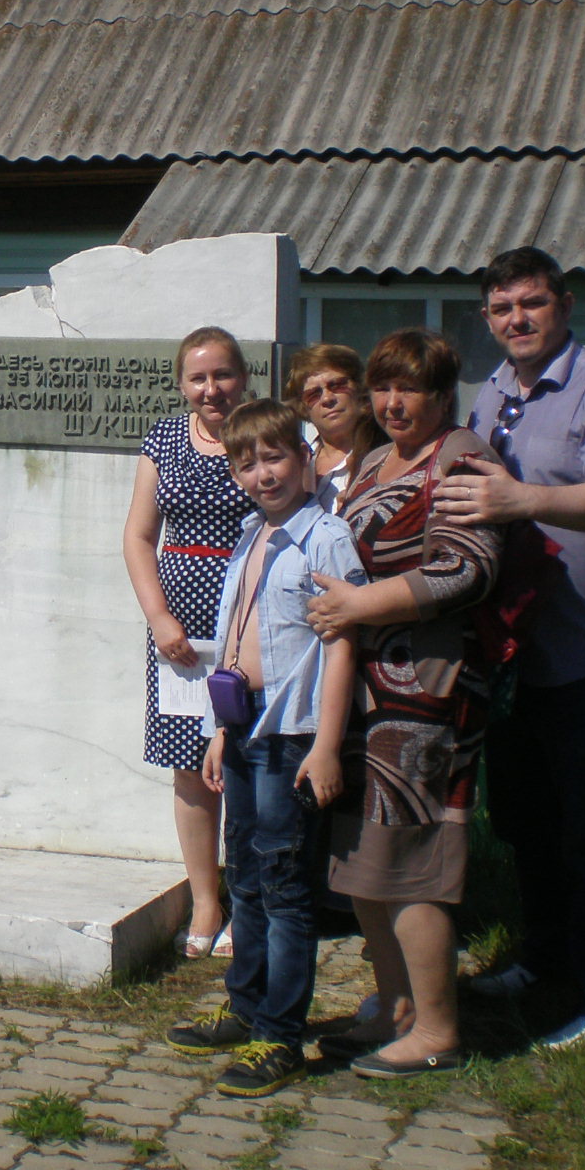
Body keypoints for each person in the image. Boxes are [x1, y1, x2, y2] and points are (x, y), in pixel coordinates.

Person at [437, 246, 585, 1050]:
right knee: (529, 821)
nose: (516, 320)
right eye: (501, 309)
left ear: (563, 306)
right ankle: (547, 963)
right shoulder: (492, 392)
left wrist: (522, 498)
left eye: (530, 304)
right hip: (514, 650)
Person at [305, 329, 503, 1078]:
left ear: (442, 395)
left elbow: (466, 569)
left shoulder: (461, 459)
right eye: (382, 387)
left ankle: (440, 1030)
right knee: (365, 857)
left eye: (409, 389)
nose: (391, 403)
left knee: (415, 857)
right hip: (364, 692)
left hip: (426, 689)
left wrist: (360, 604)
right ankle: (396, 1006)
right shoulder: (379, 461)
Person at [165, 400, 363, 1096]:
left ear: (305, 457)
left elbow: (342, 643)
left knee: (283, 888)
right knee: (243, 874)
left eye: (274, 457)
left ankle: (281, 1033)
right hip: (245, 730)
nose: (261, 474)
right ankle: (246, 1005)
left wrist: (329, 746)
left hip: (294, 737)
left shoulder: (325, 539)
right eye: (246, 463)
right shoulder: (252, 536)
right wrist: (221, 730)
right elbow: (237, 642)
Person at [122, 326, 255, 958]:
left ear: (244, 376)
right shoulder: (165, 439)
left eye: (222, 374)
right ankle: (206, 898)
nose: (212, 388)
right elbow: (139, 536)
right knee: (190, 767)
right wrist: (159, 620)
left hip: (252, 619)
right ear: (182, 383)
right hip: (179, 631)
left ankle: (253, 901)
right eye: (198, 377)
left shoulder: (268, 435)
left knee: (252, 762)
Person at [282, 343, 383, 513]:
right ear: (303, 406)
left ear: (359, 387)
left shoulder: (384, 456)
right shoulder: (296, 464)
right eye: (313, 394)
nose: (327, 399)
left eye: (336, 386)